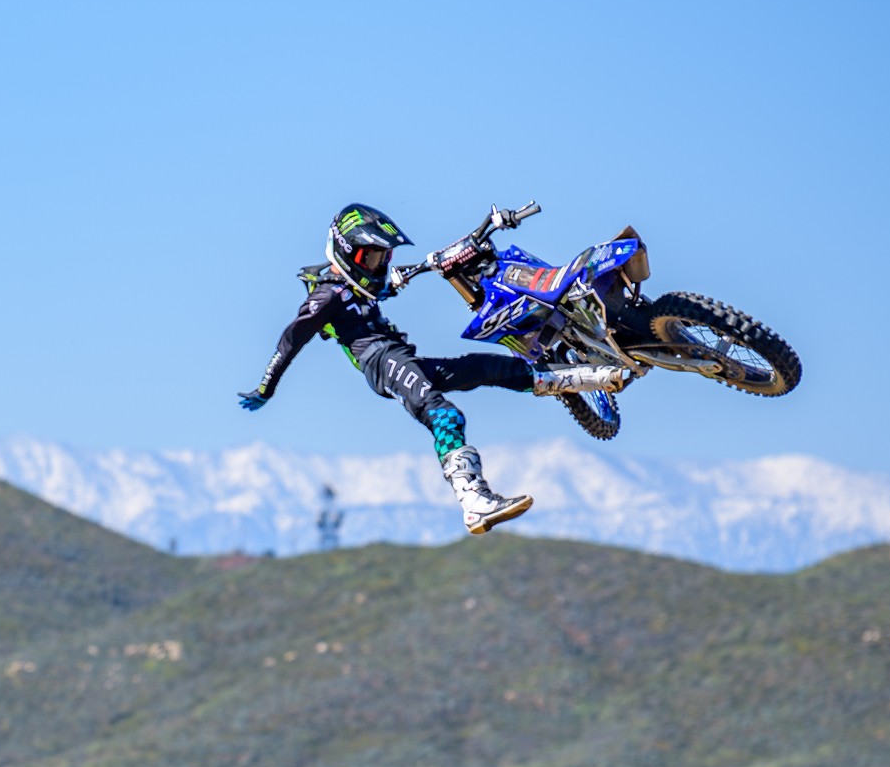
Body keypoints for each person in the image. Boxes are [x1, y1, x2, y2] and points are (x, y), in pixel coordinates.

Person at [238, 202, 625, 534]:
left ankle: (596, 379)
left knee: (486, 367)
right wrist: (266, 387)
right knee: (443, 414)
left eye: (382, 257)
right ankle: (474, 501)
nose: (378, 265)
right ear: (345, 252)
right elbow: (291, 339)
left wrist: (447, 255)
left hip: (401, 356)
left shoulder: (363, 284)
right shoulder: (327, 296)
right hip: (382, 362)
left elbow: (410, 272)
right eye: (370, 258)